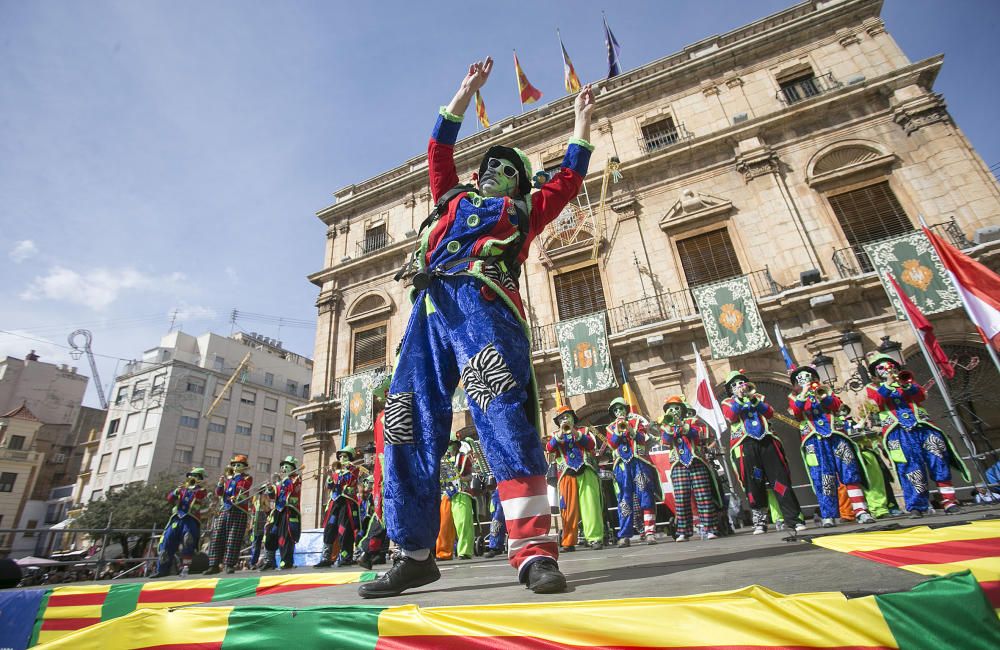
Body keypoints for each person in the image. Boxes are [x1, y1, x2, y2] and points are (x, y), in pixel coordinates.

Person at [358, 57, 594, 599]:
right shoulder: (451, 198)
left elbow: (570, 178)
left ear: (521, 180)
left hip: (485, 310)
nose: (495, 171)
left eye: (508, 167)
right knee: (403, 422)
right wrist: (464, 90)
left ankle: (534, 552)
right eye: (490, 165)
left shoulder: (526, 210)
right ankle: (413, 553)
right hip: (429, 311)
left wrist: (582, 125)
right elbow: (439, 150)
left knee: (503, 419)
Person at [865, 353, 970, 517]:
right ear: (876, 372)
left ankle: (949, 500)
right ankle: (916, 505)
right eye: (882, 368)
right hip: (897, 432)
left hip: (923, 427)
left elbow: (921, 395)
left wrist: (907, 385)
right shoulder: (872, 388)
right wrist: (888, 384)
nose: (888, 369)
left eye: (890, 366)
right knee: (909, 467)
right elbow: (876, 402)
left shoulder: (907, 382)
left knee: (938, 460)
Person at [788, 366, 876, 528]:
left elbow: (836, 406)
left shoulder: (826, 391)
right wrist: (804, 393)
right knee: (823, 477)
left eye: (809, 378)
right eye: (801, 379)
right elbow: (796, 412)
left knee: (849, 472)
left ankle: (861, 511)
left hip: (836, 436)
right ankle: (828, 515)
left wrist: (822, 395)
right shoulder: (794, 398)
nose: (806, 381)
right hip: (814, 440)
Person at [722, 371, 805, 534]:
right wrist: (739, 399)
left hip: (767, 442)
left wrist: (752, 399)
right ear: (731, 389)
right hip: (745, 445)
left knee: (780, 480)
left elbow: (768, 413)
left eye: (741, 383)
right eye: (735, 384)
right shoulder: (727, 402)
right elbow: (731, 416)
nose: (740, 386)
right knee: (754, 484)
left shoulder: (759, 397)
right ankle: (760, 521)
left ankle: (794, 519)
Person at [659, 396, 722, 541]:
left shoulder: (694, 421)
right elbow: (665, 441)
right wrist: (670, 427)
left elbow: (700, 435)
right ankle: (683, 531)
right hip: (678, 464)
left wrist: (682, 425)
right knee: (681, 498)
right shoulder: (666, 425)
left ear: (682, 409)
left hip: (697, 461)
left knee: (703, 497)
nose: (673, 411)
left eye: (676, 408)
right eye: (670, 409)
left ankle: (710, 528)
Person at [546, 406, 604, 551]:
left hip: (586, 471)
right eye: (561, 418)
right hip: (566, 474)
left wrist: (575, 433)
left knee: (590, 505)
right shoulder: (555, 435)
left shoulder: (584, 431)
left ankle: (595, 538)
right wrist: (559, 436)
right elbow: (549, 448)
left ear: (573, 418)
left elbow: (591, 445)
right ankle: (569, 541)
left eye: (567, 417)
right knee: (568, 510)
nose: (565, 420)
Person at [606, 397, 662, 547]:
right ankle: (624, 535)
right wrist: (618, 431)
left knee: (646, 495)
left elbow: (644, 438)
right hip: (622, 467)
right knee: (624, 500)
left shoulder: (637, 422)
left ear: (626, 409)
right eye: (616, 410)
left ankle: (650, 532)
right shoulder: (610, 428)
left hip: (639, 463)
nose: (619, 412)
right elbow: (611, 444)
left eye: (621, 408)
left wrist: (631, 430)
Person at [153, 467, 208, 578]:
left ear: (200, 478)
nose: (192, 478)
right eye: (191, 476)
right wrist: (176, 492)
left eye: (196, 476)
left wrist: (193, 488)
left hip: (190, 519)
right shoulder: (182, 489)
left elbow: (200, 496)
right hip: (177, 518)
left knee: (188, 541)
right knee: (167, 542)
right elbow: (169, 499)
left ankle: (185, 569)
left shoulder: (201, 490)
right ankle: (162, 570)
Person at [206, 454, 253, 575]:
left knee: (233, 538)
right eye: (234, 465)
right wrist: (221, 483)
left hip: (239, 510)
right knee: (217, 536)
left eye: (238, 465)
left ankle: (229, 564)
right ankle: (213, 564)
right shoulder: (228, 479)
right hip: (225, 509)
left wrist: (235, 489)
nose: (236, 467)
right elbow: (219, 493)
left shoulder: (246, 478)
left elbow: (243, 488)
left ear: (244, 467)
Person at [316, 446, 361, 567]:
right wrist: (330, 476)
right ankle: (326, 558)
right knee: (329, 528)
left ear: (350, 457)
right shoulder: (336, 471)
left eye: (344, 456)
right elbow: (329, 487)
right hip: (334, 503)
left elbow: (350, 481)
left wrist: (341, 471)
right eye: (340, 456)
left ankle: (346, 558)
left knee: (344, 529)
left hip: (346, 503)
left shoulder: (354, 469)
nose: (341, 458)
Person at [436, 433, 476, 560]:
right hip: (445, 495)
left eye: (450, 445)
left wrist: (460, 479)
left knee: (463, 523)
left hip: (461, 493)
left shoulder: (464, 458)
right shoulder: (441, 460)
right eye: (446, 445)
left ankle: (464, 552)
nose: (448, 448)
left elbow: (470, 476)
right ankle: (443, 552)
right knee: (444, 525)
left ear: (456, 445)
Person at [261, 456, 302, 570]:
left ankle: (286, 561)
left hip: (289, 511)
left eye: (286, 466)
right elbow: (273, 497)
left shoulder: (296, 479)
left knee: (286, 536)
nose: (283, 468)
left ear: (292, 467)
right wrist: (270, 488)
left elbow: (291, 489)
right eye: (282, 466)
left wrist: (283, 479)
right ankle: (270, 560)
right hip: (278, 512)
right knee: (270, 534)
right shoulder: (280, 482)